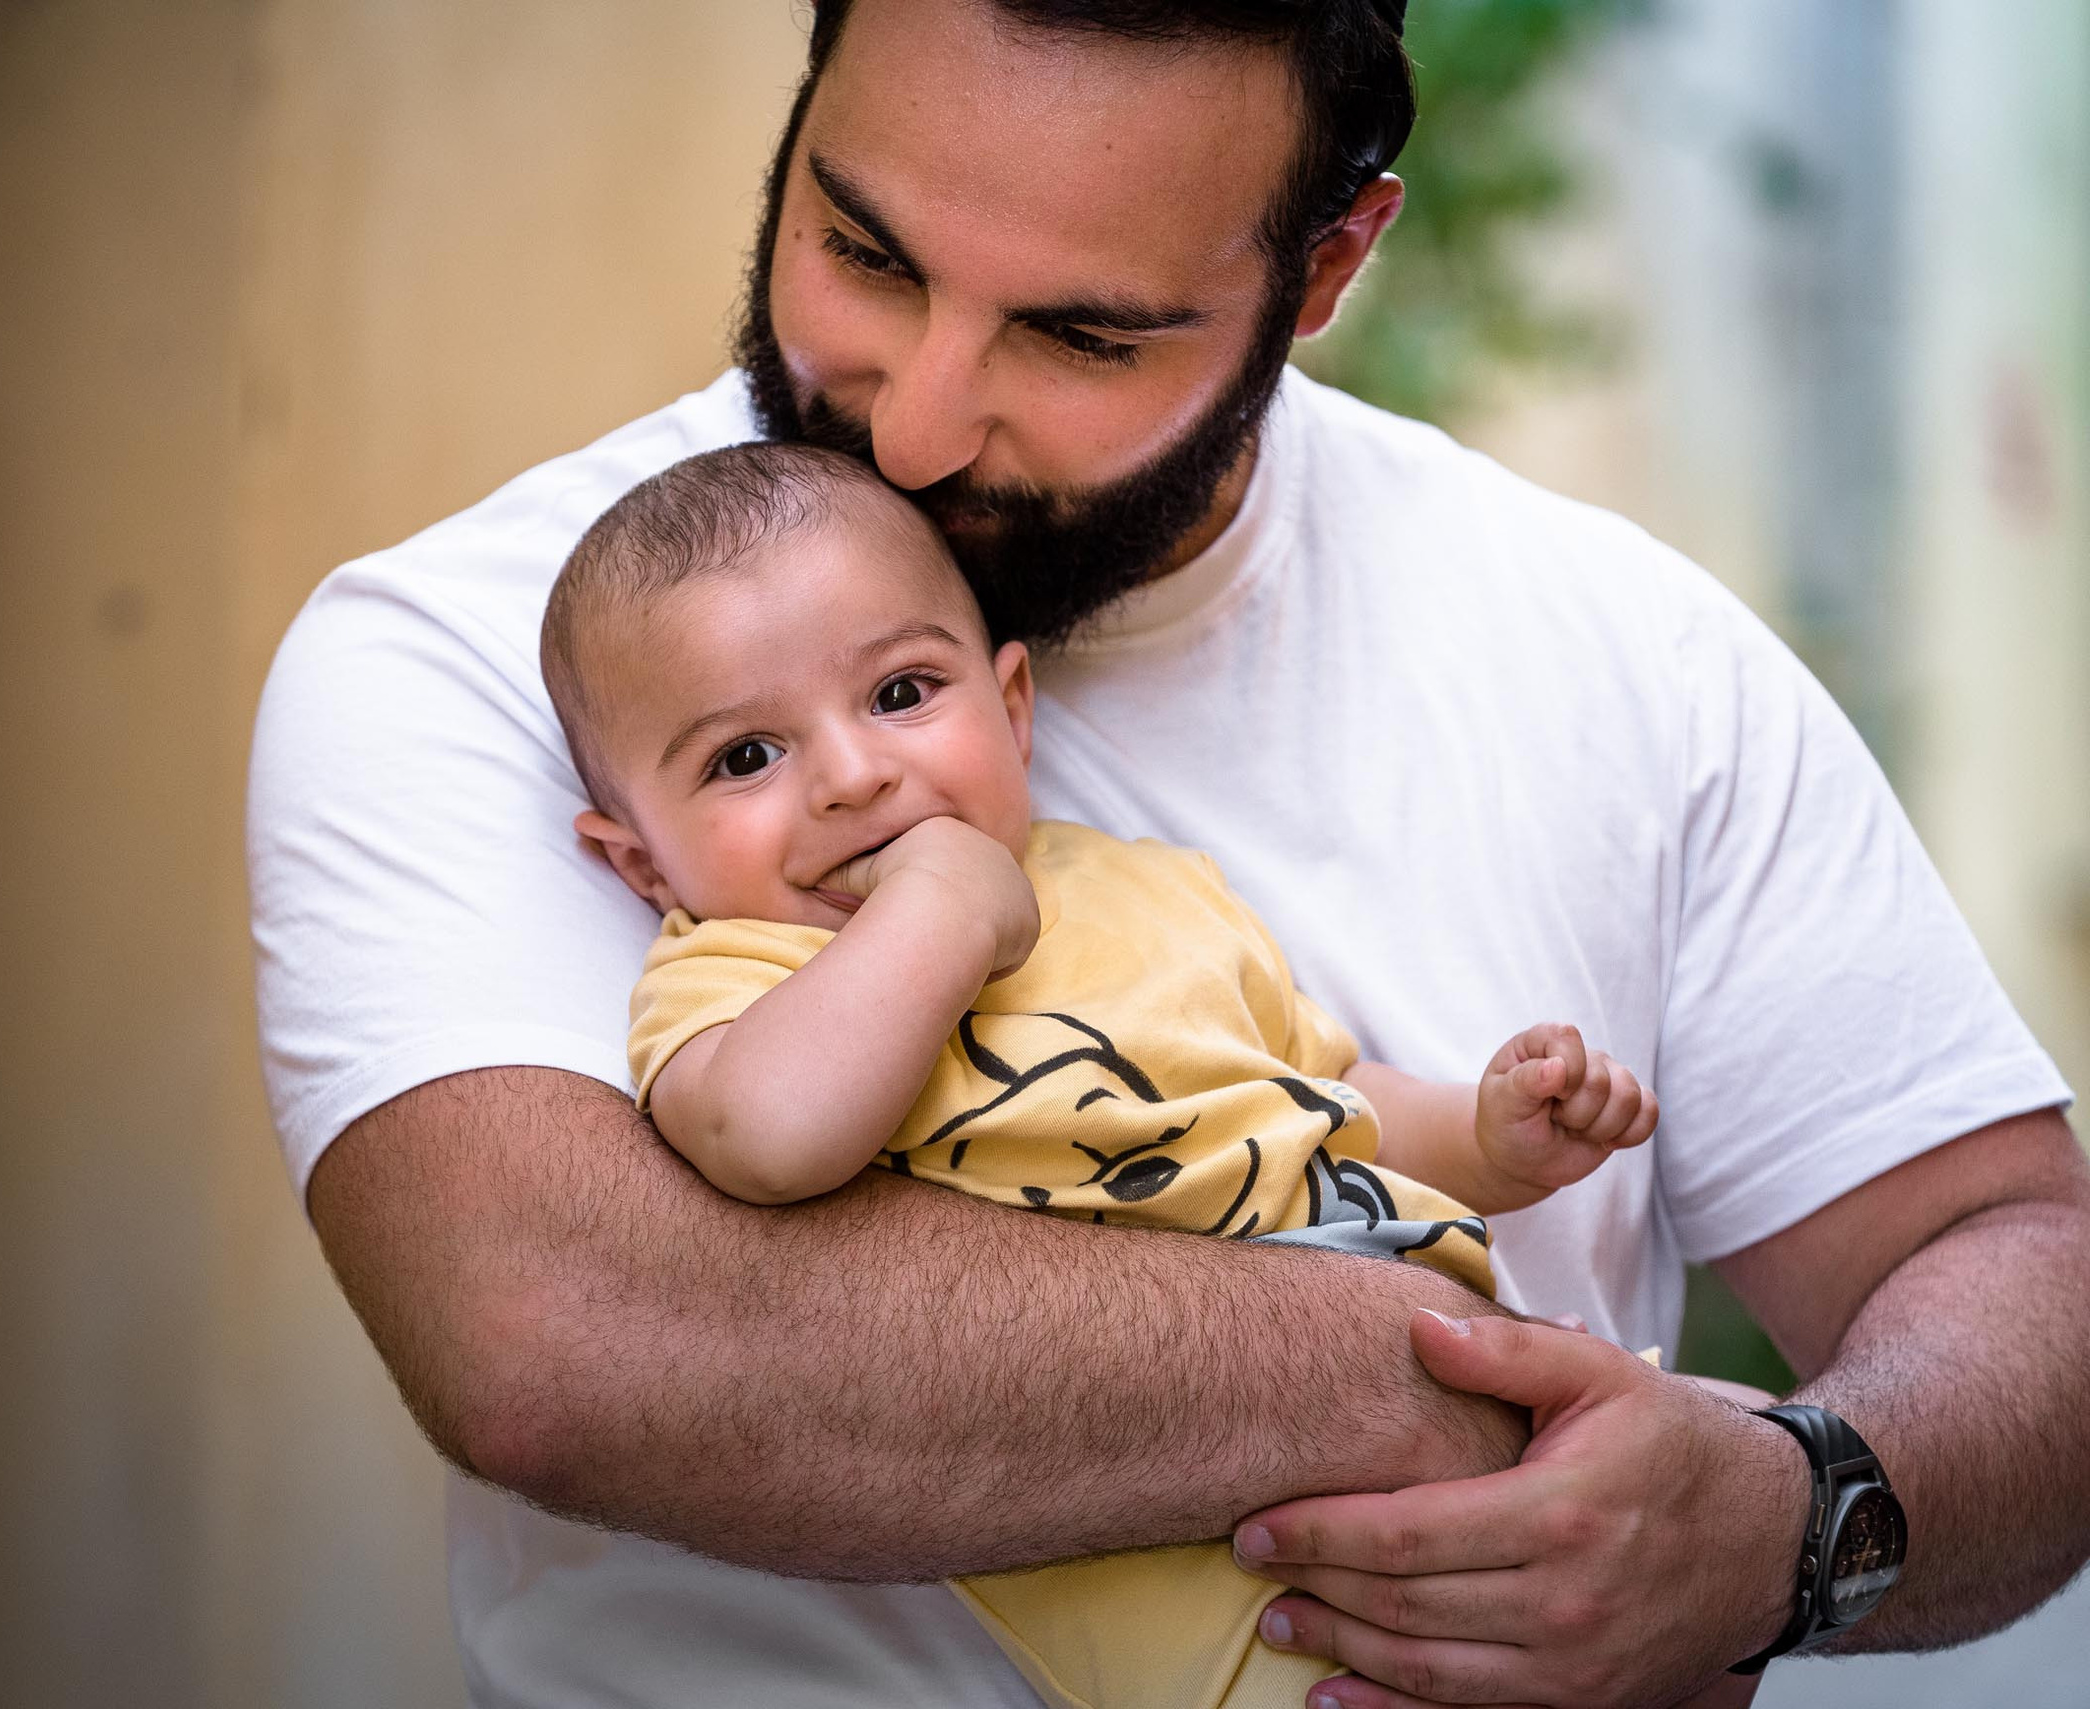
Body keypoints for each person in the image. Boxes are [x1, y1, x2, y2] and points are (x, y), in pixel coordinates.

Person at [246, 2, 2090, 1704]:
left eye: (1082, 334)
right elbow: (571, 1344)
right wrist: (1446, 1406)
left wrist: (1782, 1514)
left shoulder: (1629, 656)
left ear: (1329, 266)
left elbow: (2013, 1268)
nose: (915, 423)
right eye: (865, 250)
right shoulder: (489, 655)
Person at [540, 437, 1669, 1709]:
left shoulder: (1145, 883)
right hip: (1239, 1586)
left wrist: (1489, 1136)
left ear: (1012, 707)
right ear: (640, 863)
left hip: (1484, 1406)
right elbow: (768, 1135)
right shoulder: (736, 972)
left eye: (902, 691)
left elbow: (1331, 1103)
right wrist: (944, 904)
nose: (854, 776)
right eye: (745, 757)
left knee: (1704, 1483)